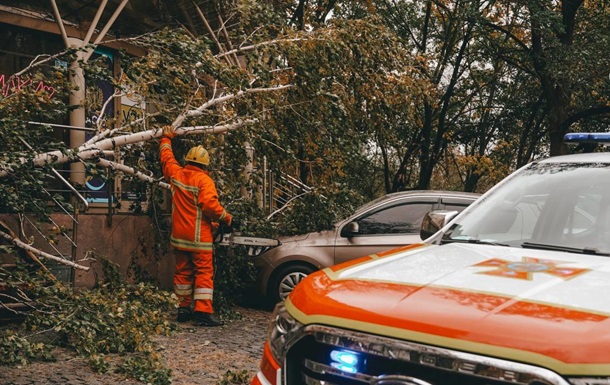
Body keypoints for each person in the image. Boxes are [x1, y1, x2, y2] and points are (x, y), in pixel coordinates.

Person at [159, 125, 240, 327]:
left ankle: (183, 309)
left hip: (179, 237)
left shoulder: (176, 173)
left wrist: (166, 138)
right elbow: (210, 206)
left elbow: (166, 158)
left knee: (183, 274)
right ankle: (203, 312)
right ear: (205, 165)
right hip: (199, 239)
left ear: (187, 160)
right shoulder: (204, 180)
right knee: (204, 273)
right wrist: (227, 219)